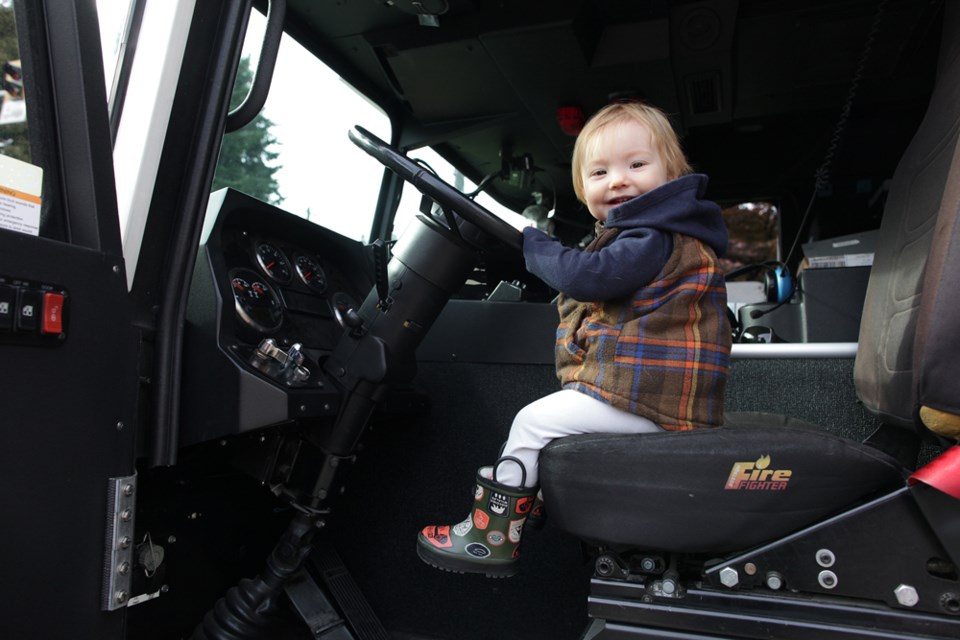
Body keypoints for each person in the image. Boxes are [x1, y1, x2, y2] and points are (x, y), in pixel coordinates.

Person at [417, 101, 732, 577]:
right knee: (551, 420)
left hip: (652, 402)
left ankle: (491, 537)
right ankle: (531, 499)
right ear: (584, 190)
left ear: (672, 172)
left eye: (637, 165)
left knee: (532, 422)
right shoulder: (658, 234)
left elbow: (589, 278)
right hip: (656, 398)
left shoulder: (652, 235)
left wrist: (534, 243)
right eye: (600, 172)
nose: (618, 180)